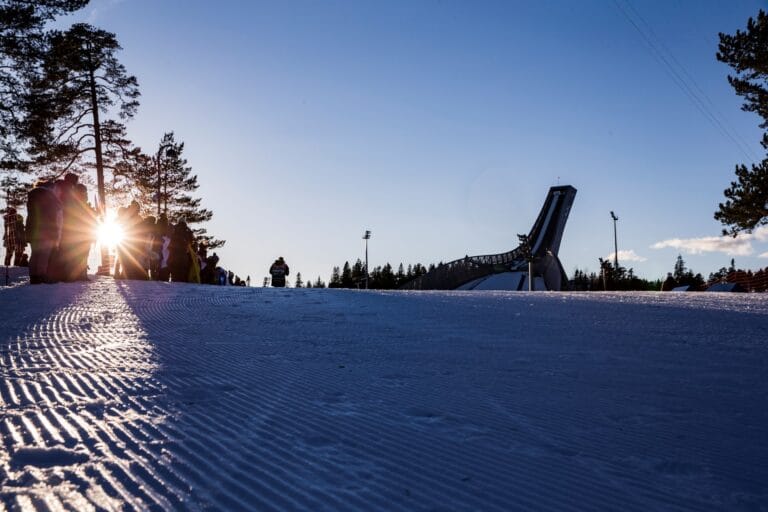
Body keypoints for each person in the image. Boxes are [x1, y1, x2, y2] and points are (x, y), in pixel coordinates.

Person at [26, 180, 61, 284]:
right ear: (51, 187)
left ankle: (33, 276)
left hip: (33, 229)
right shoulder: (50, 197)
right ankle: (41, 275)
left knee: (35, 253)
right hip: (46, 230)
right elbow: (52, 216)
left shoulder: (32, 195)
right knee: (44, 254)